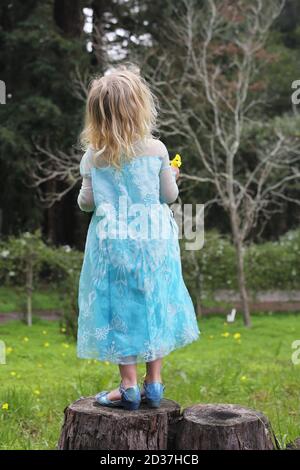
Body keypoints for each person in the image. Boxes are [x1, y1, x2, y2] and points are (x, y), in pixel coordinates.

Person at [77, 64, 200, 410]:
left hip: (113, 246)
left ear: (97, 115)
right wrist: (172, 173)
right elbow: (169, 196)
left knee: (120, 308)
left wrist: (88, 184)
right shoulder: (157, 150)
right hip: (154, 244)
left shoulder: (93, 156)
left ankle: (128, 386)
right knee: (155, 301)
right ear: (140, 107)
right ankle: (155, 382)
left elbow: (87, 204)